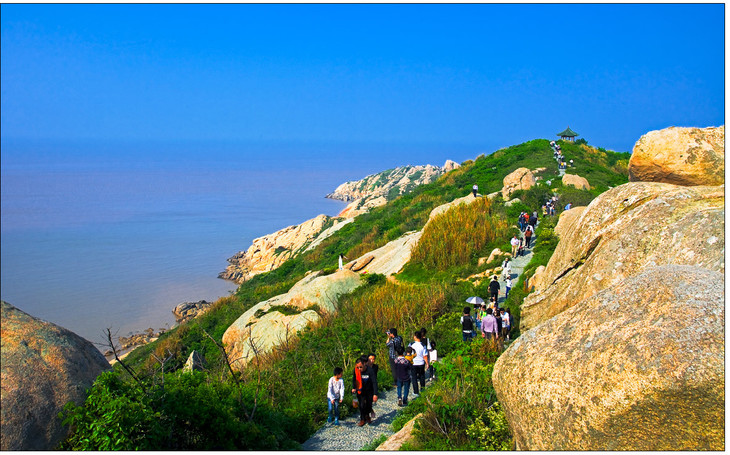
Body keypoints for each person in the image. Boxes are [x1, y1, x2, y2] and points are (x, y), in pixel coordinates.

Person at [352, 355, 378, 426]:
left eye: (361, 367)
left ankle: (367, 414)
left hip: (369, 390)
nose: (359, 369)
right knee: (361, 405)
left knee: (369, 405)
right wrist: (354, 387)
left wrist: (375, 394)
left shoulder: (370, 370)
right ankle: (362, 419)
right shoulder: (356, 371)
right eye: (358, 367)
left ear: (364, 364)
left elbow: (374, 382)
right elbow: (354, 380)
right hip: (360, 390)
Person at [410, 331, 429, 396]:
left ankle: (416, 392)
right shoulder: (423, 345)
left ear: (415, 337)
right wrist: (427, 363)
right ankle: (423, 389)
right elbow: (425, 356)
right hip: (421, 363)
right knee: (422, 376)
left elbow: (408, 353)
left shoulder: (411, 344)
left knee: (414, 378)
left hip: (414, 363)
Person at [366, 354, 379, 420]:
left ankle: (370, 411)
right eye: (370, 359)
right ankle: (367, 415)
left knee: (369, 401)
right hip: (366, 385)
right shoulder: (365, 367)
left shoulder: (375, 367)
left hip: (372, 385)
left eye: (373, 359)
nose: (371, 360)